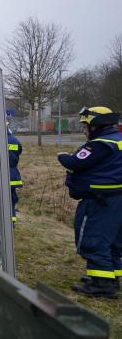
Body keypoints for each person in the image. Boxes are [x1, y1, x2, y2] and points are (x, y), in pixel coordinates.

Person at [58, 106, 122, 299]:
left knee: (93, 240)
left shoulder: (101, 144)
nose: (84, 130)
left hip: (99, 202)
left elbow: (75, 162)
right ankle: (111, 278)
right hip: (116, 199)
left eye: (85, 126)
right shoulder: (118, 140)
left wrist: (62, 156)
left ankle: (101, 285)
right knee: (113, 242)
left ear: (96, 125)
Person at [8, 124, 23, 227]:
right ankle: (12, 222)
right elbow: (20, 151)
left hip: (3, 174)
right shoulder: (15, 140)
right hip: (13, 173)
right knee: (12, 199)